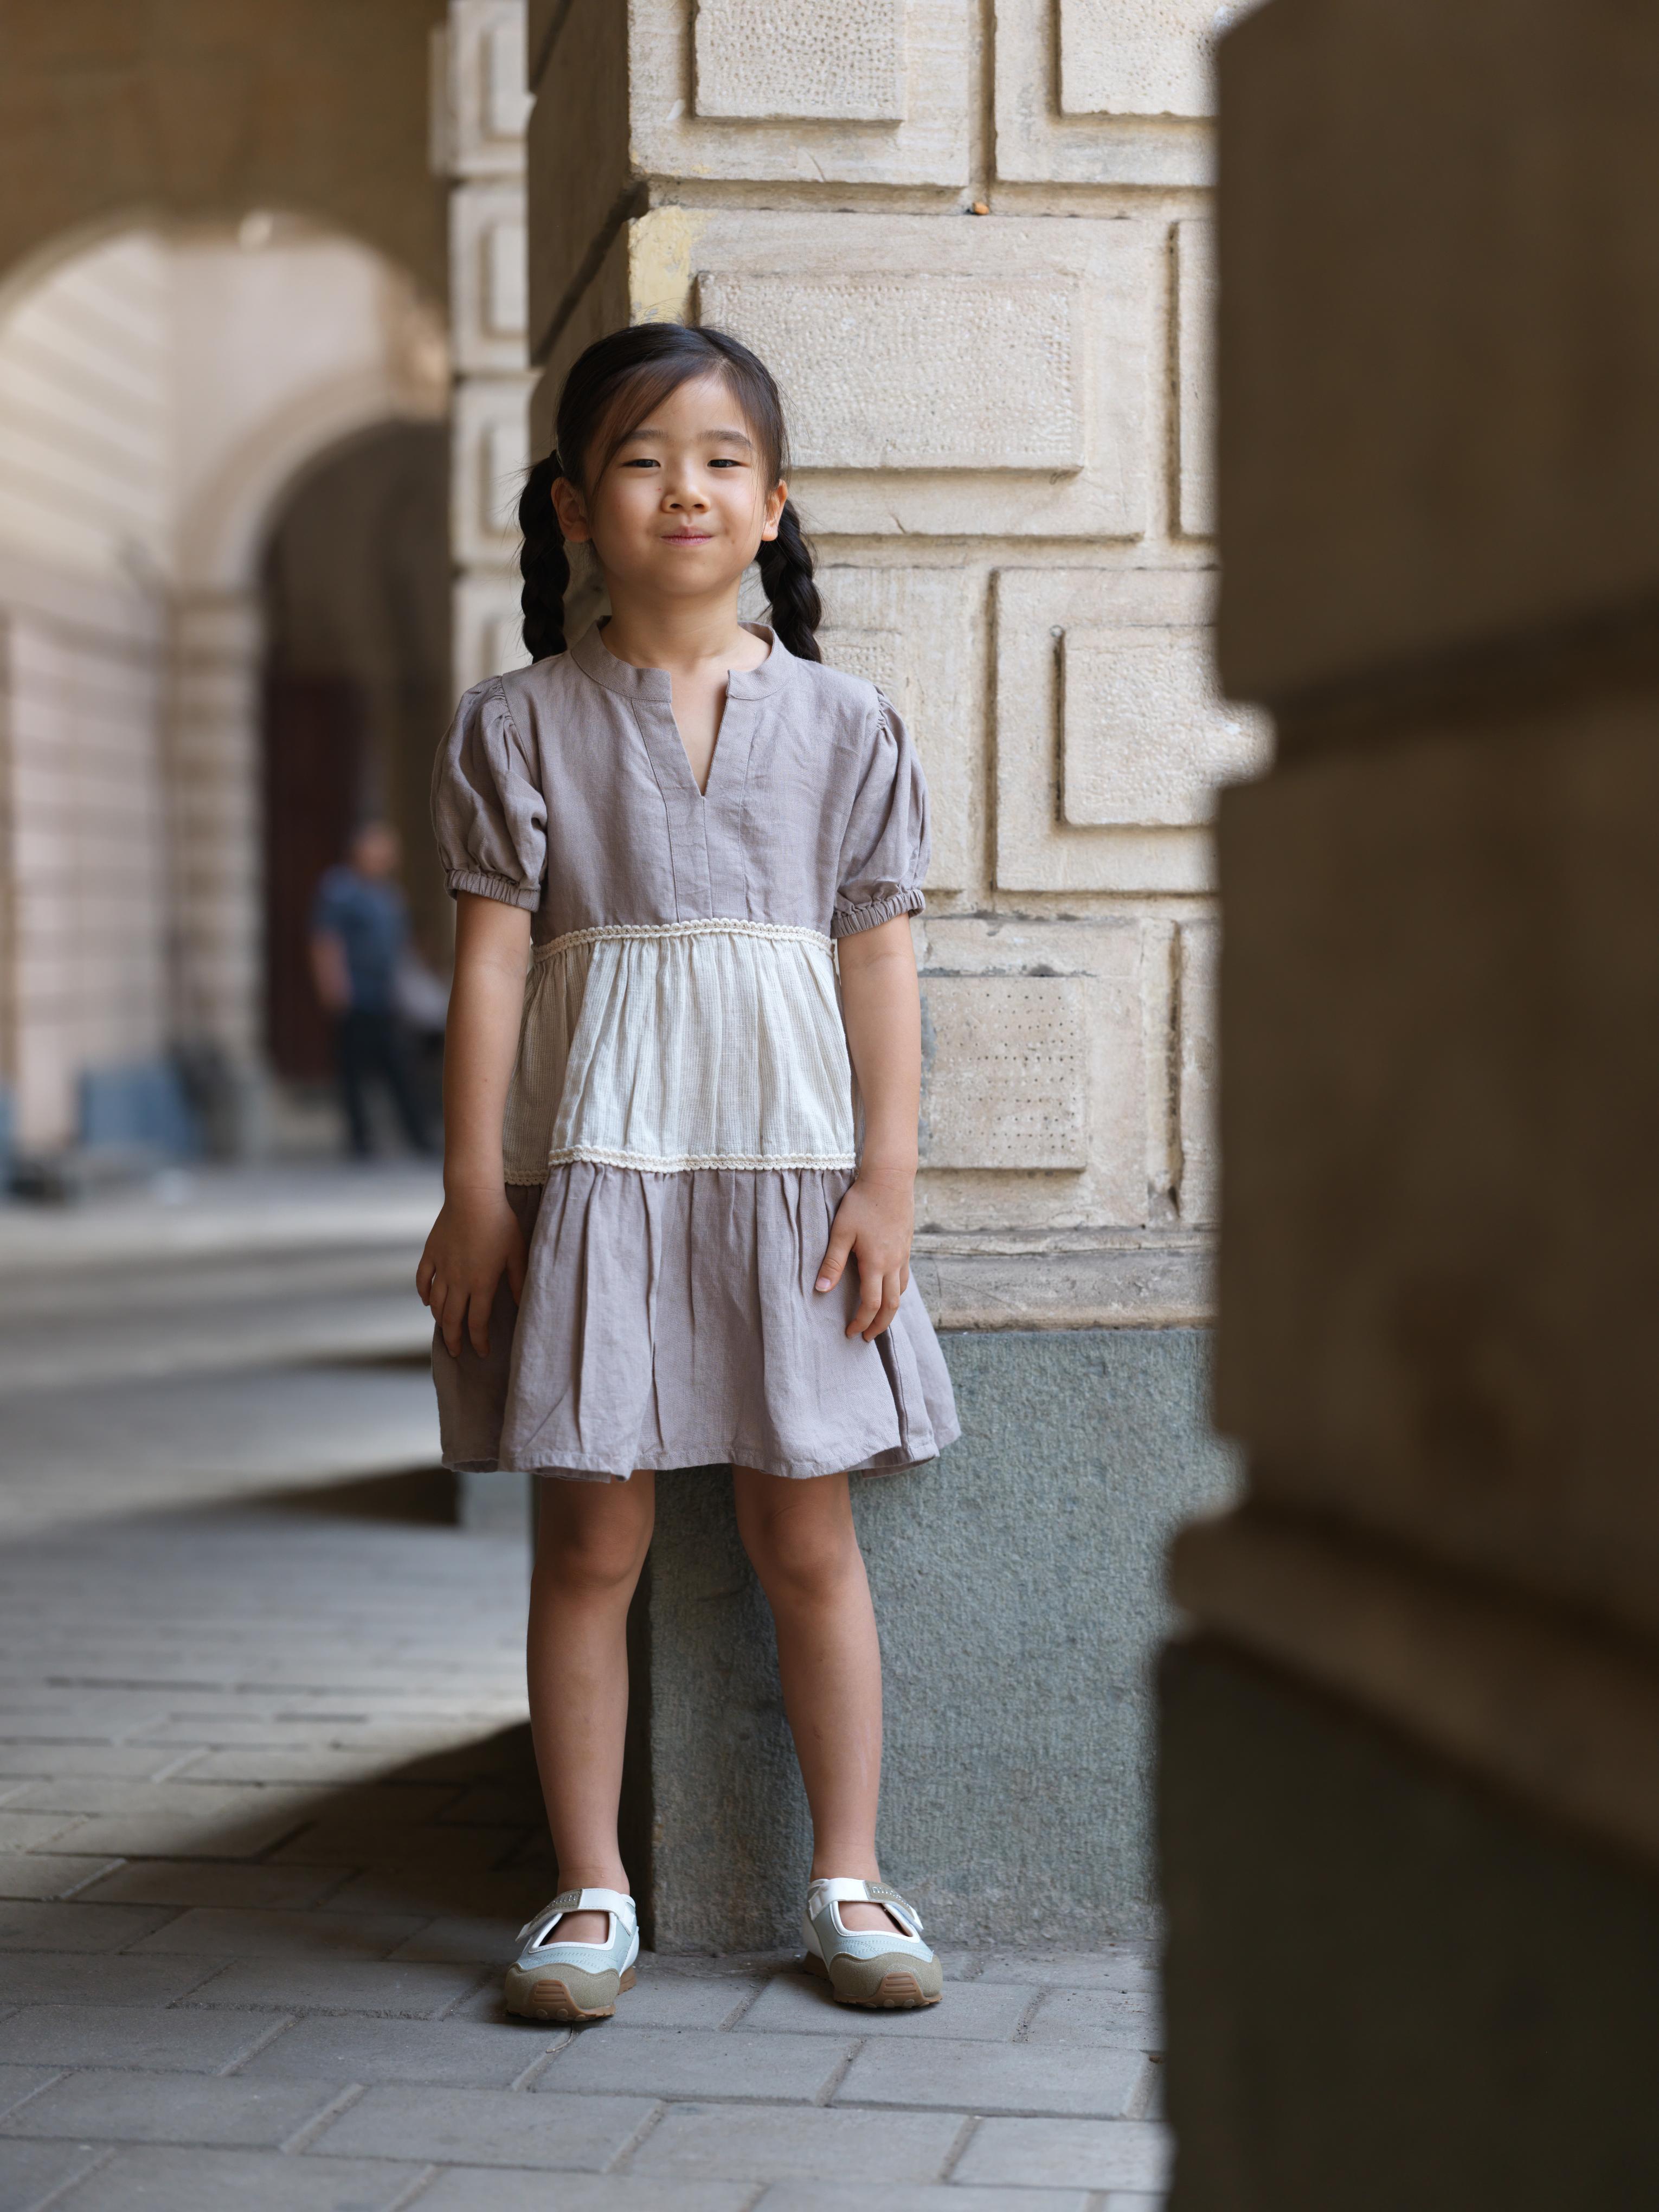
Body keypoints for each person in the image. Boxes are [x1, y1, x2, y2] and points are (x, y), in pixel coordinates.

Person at [419, 323, 960, 2024]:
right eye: (644, 460)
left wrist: (888, 1179)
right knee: (591, 1539)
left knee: (807, 1533)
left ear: (773, 504)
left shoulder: (848, 725)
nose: (686, 490)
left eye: (723, 460)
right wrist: (474, 1191)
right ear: (576, 506)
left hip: (793, 1183)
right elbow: (490, 973)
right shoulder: (519, 726)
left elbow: (881, 960)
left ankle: (849, 1875)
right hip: (596, 1182)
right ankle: (591, 1887)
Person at [310, 822, 434, 1158]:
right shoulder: (340, 889)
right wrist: (333, 986)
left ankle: (417, 1135)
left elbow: (400, 946)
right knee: (353, 1071)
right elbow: (326, 940)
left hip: (385, 996)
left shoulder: (388, 894)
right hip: (356, 994)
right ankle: (360, 1139)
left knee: (399, 1066)